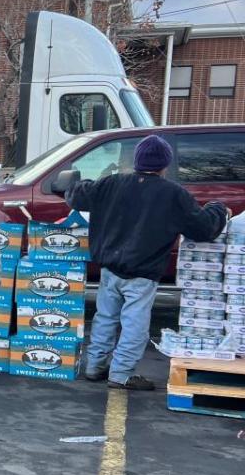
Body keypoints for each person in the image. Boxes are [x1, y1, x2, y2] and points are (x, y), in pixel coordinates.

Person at [66, 134, 228, 390]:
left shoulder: (111, 183)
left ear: (136, 160)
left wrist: (79, 182)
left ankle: (94, 366)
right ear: (165, 165)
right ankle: (121, 375)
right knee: (134, 324)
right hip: (142, 274)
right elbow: (204, 228)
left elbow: (77, 195)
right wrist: (218, 209)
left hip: (109, 268)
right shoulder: (173, 194)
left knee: (105, 317)